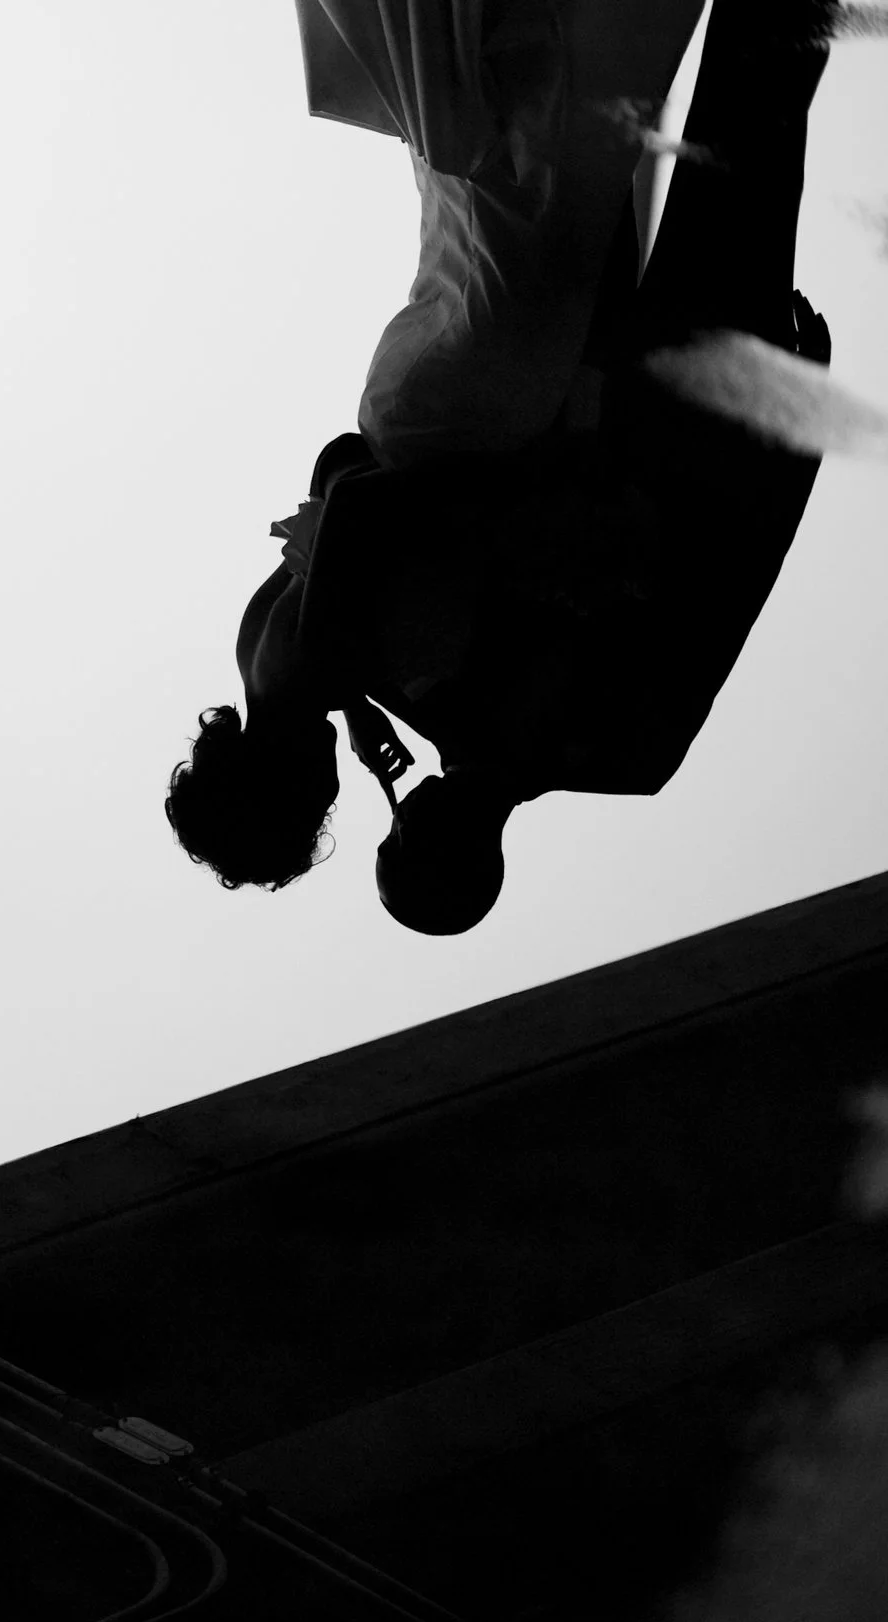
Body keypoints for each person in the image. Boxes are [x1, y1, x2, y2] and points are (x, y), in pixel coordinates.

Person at [167, 0, 837, 933]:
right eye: (399, 839)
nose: (373, 812)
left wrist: (527, 502)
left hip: (626, 408)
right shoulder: (284, 660)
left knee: (708, 116)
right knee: (621, 137)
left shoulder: (396, 686)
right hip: (586, 399)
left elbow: (364, 507)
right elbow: (343, 485)